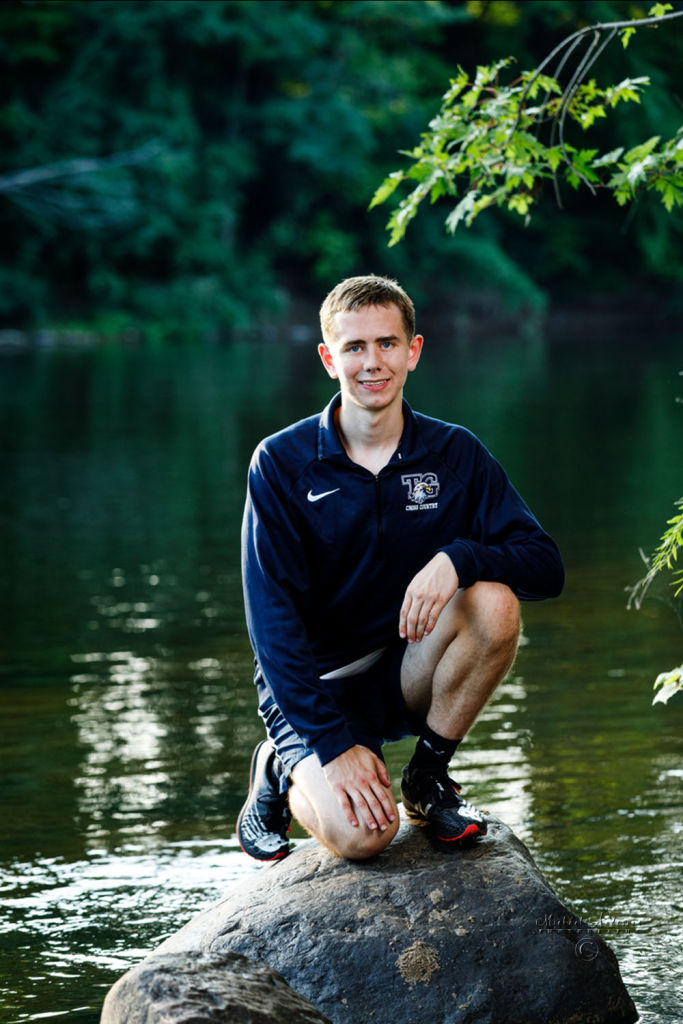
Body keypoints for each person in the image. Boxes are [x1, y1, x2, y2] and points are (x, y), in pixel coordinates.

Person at [236, 275, 564, 862]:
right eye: (354, 348)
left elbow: (545, 567)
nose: (372, 363)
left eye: (387, 344)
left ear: (413, 351)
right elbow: (271, 628)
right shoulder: (281, 463)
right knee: (366, 837)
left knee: (493, 599)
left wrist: (459, 558)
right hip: (317, 692)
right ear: (327, 359)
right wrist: (331, 746)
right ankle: (281, 766)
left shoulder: (453, 453)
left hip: (403, 668)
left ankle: (427, 777)